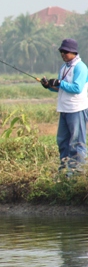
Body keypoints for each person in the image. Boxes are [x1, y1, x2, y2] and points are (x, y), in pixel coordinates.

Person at [40, 38, 88, 173]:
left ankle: (79, 173)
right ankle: (64, 172)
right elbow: (61, 88)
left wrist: (60, 82)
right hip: (64, 109)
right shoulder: (64, 67)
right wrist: (49, 86)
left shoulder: (80, 67)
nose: (63, 54)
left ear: (73, 52)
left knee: (76, 143)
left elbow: (77, 88)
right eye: (61, 51)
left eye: (65, 52)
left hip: (76, 109)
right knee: (62, 141)